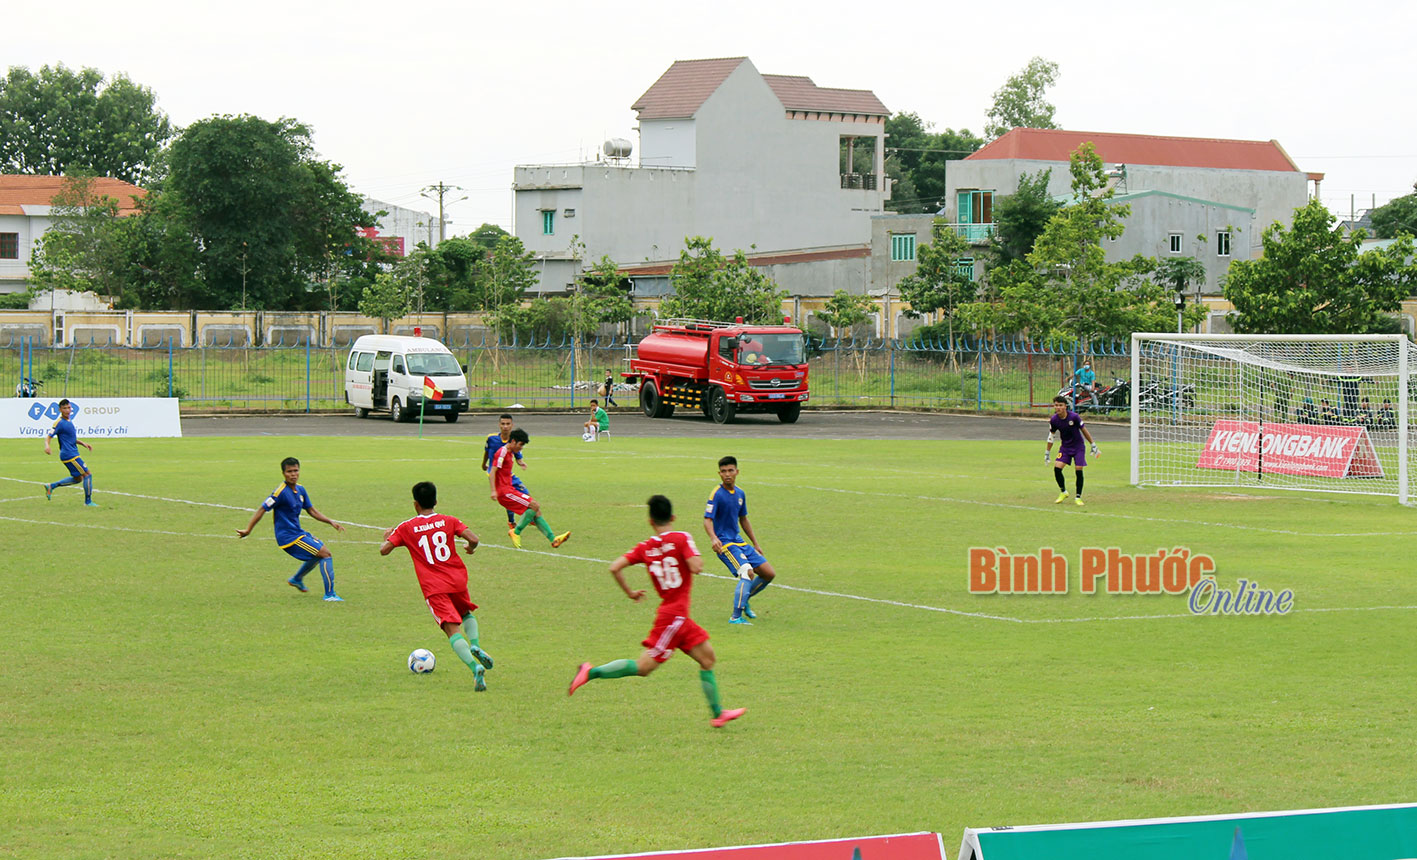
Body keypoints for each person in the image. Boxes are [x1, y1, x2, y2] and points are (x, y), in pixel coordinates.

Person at [567, 494, 745, 729]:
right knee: (643, 668)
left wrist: (630, 593)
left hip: (677, 617)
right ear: (673, 517)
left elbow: (615, 567)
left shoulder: (646, 547)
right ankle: (591, 672)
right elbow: (697, 567)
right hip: (674, 618)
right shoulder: (682, 538)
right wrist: (694, 557)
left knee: (707, 658)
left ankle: (718, 713)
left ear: (650, 520)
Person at [380, 481, 493, 691]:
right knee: (466, 613)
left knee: (452, 629)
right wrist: (470, 547)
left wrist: (387, 537)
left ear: (415, 504)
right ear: (436, 501)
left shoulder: (406, 527)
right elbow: (474, 539)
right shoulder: (448, 520)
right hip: (457, 579)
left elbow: (384, 550)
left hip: (434, 587)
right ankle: (476, 644)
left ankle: (474, 667)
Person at [237, 457, 347, 601]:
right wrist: (248, 530)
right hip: (289, 537)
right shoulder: (279, 492)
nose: (293, 474)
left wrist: (330, 521)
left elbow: (311, 510)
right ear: (283, 473)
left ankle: (296, 579)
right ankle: (330, 595)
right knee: (325, 554)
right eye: (289, 471)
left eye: (295, 471)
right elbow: (262, 509)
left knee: (318, 555)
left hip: (298, 533)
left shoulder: (300, 490)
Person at [703, 455, 777, 624]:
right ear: (719, 474)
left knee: (768, 573)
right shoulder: (717, 494)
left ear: (737, 471)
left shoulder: (740, 493)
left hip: (739, 542)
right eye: (723, 471)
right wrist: (713, 538)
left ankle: (744, 600)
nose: (727, 474)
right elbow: (707, 519)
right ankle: (735, 617)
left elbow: (743, 519)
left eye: (730, 470)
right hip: (725, 544)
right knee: (747, 573)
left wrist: (756, 543)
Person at [490, 428, 570, 550]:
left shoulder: (510, 452)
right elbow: (493, 471)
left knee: (536, 511)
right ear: (513, 441)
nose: (521, 448)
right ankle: (515, 532)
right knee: (534, 505)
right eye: (520, 444)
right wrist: (493, 490)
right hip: (504, 492)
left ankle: (553, 540)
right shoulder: (502, 452)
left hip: (510, 490)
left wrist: (520, 462)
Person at [1046, 395, 1099, 507]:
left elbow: (1084, 430)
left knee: (1078, 469)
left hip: (1078, 447)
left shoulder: (1074, 417)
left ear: (1065, 406)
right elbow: (1051, 436)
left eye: (1060, 405)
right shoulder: (1054, 420)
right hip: (1065, 447)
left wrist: (1092, 444)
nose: (1058, 407)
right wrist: (1047, 452)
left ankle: (1078, 497)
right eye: (1056, 405)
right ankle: (1063, 492)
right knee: (1057, 468)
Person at [42, 399, 96, 506]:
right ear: (60, 410)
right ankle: (88, 502)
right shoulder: (59, 423)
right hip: (69, 455)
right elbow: (48, 437)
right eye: (65, 408)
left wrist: (82, 443)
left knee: (78, 479)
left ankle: (51, 486)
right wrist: (47, 446)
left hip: (71, 453)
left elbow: (69, 438)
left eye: (69, 408)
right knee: (87, 475)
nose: (68, 410)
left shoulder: (69, 421)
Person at [482, 414, 530, 536]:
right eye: (503, 424)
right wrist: (483, 464)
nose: (505, 426)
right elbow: (487, 452)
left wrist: (521, 463)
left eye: (508, 424)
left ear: (512, 425)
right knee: (508, 495)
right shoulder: (492, 438)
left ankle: (526, 516)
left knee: (525, 493)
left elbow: (517, 456)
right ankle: (512, 521)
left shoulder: (514, 440)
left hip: (508, 474)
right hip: (496, 473)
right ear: (499, 425)